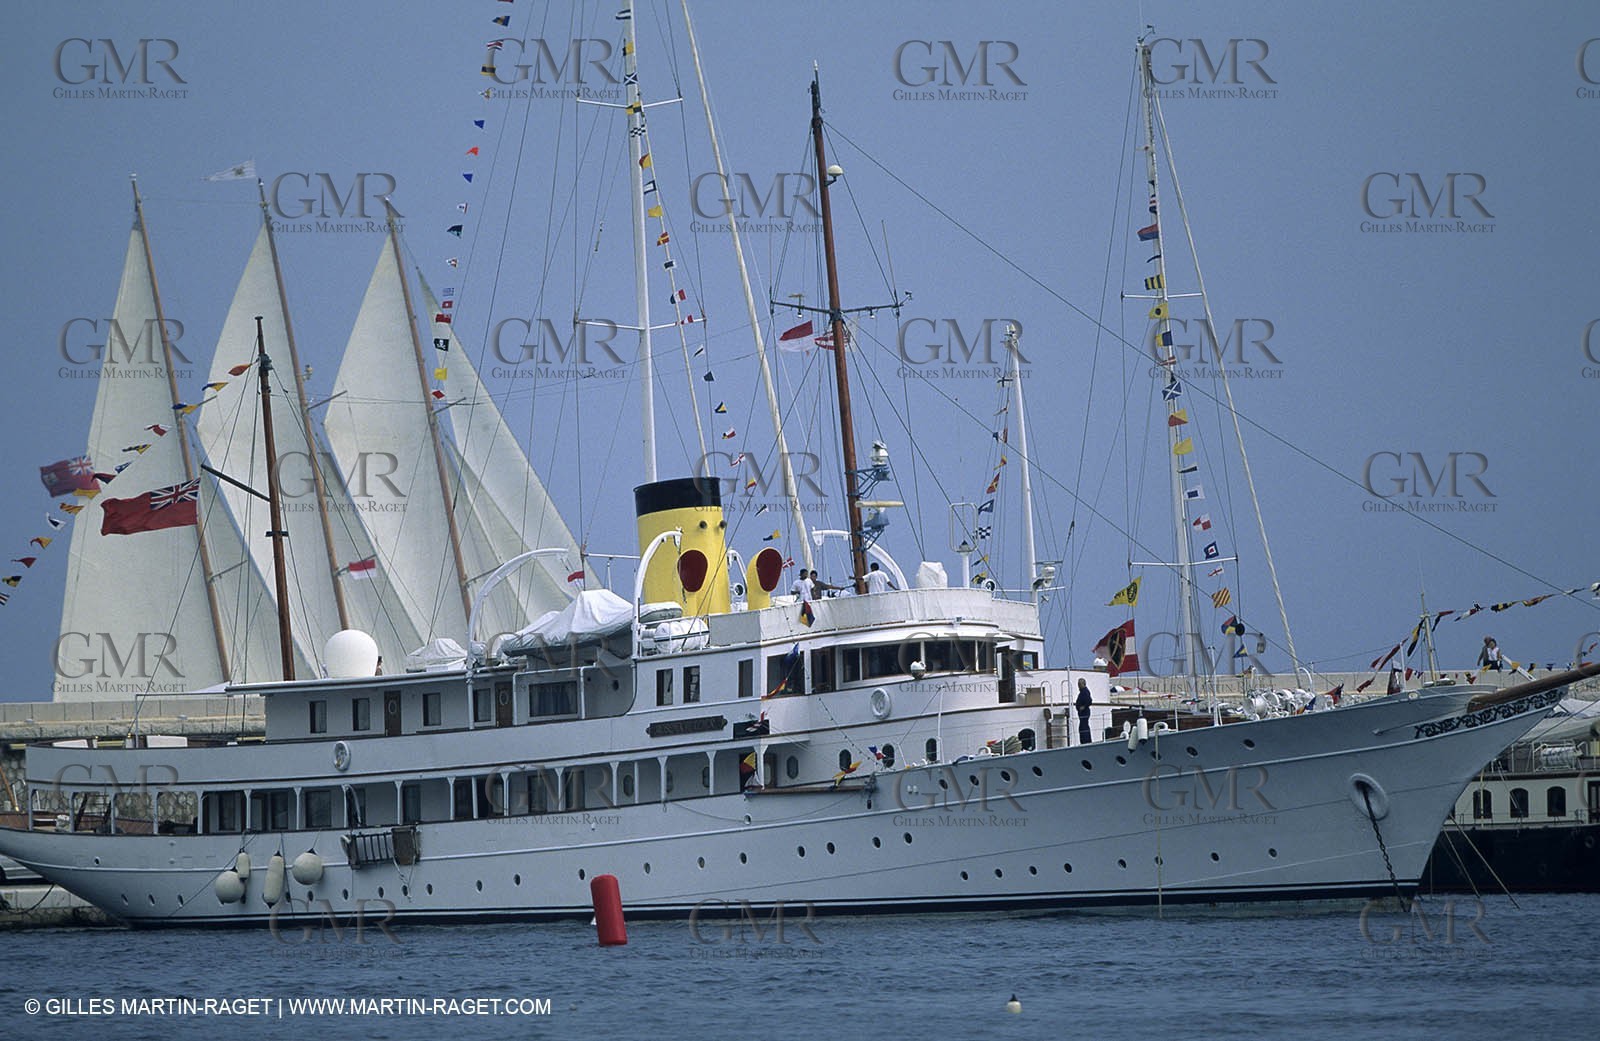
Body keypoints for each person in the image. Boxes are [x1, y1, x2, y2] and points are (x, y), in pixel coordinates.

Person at [1075, 678, 1093, 745]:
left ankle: (1086, 741)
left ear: (1083, 684)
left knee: (1083, 727)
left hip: (1084, 713)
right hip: (1082, 713)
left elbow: (1089, 701)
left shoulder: (1085, 691)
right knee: (1082, 727)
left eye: (1079, 684)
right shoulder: (1082, 692)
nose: (1078, 686)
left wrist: (1084, 707)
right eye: (1078, 684)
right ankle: (1084, 741)